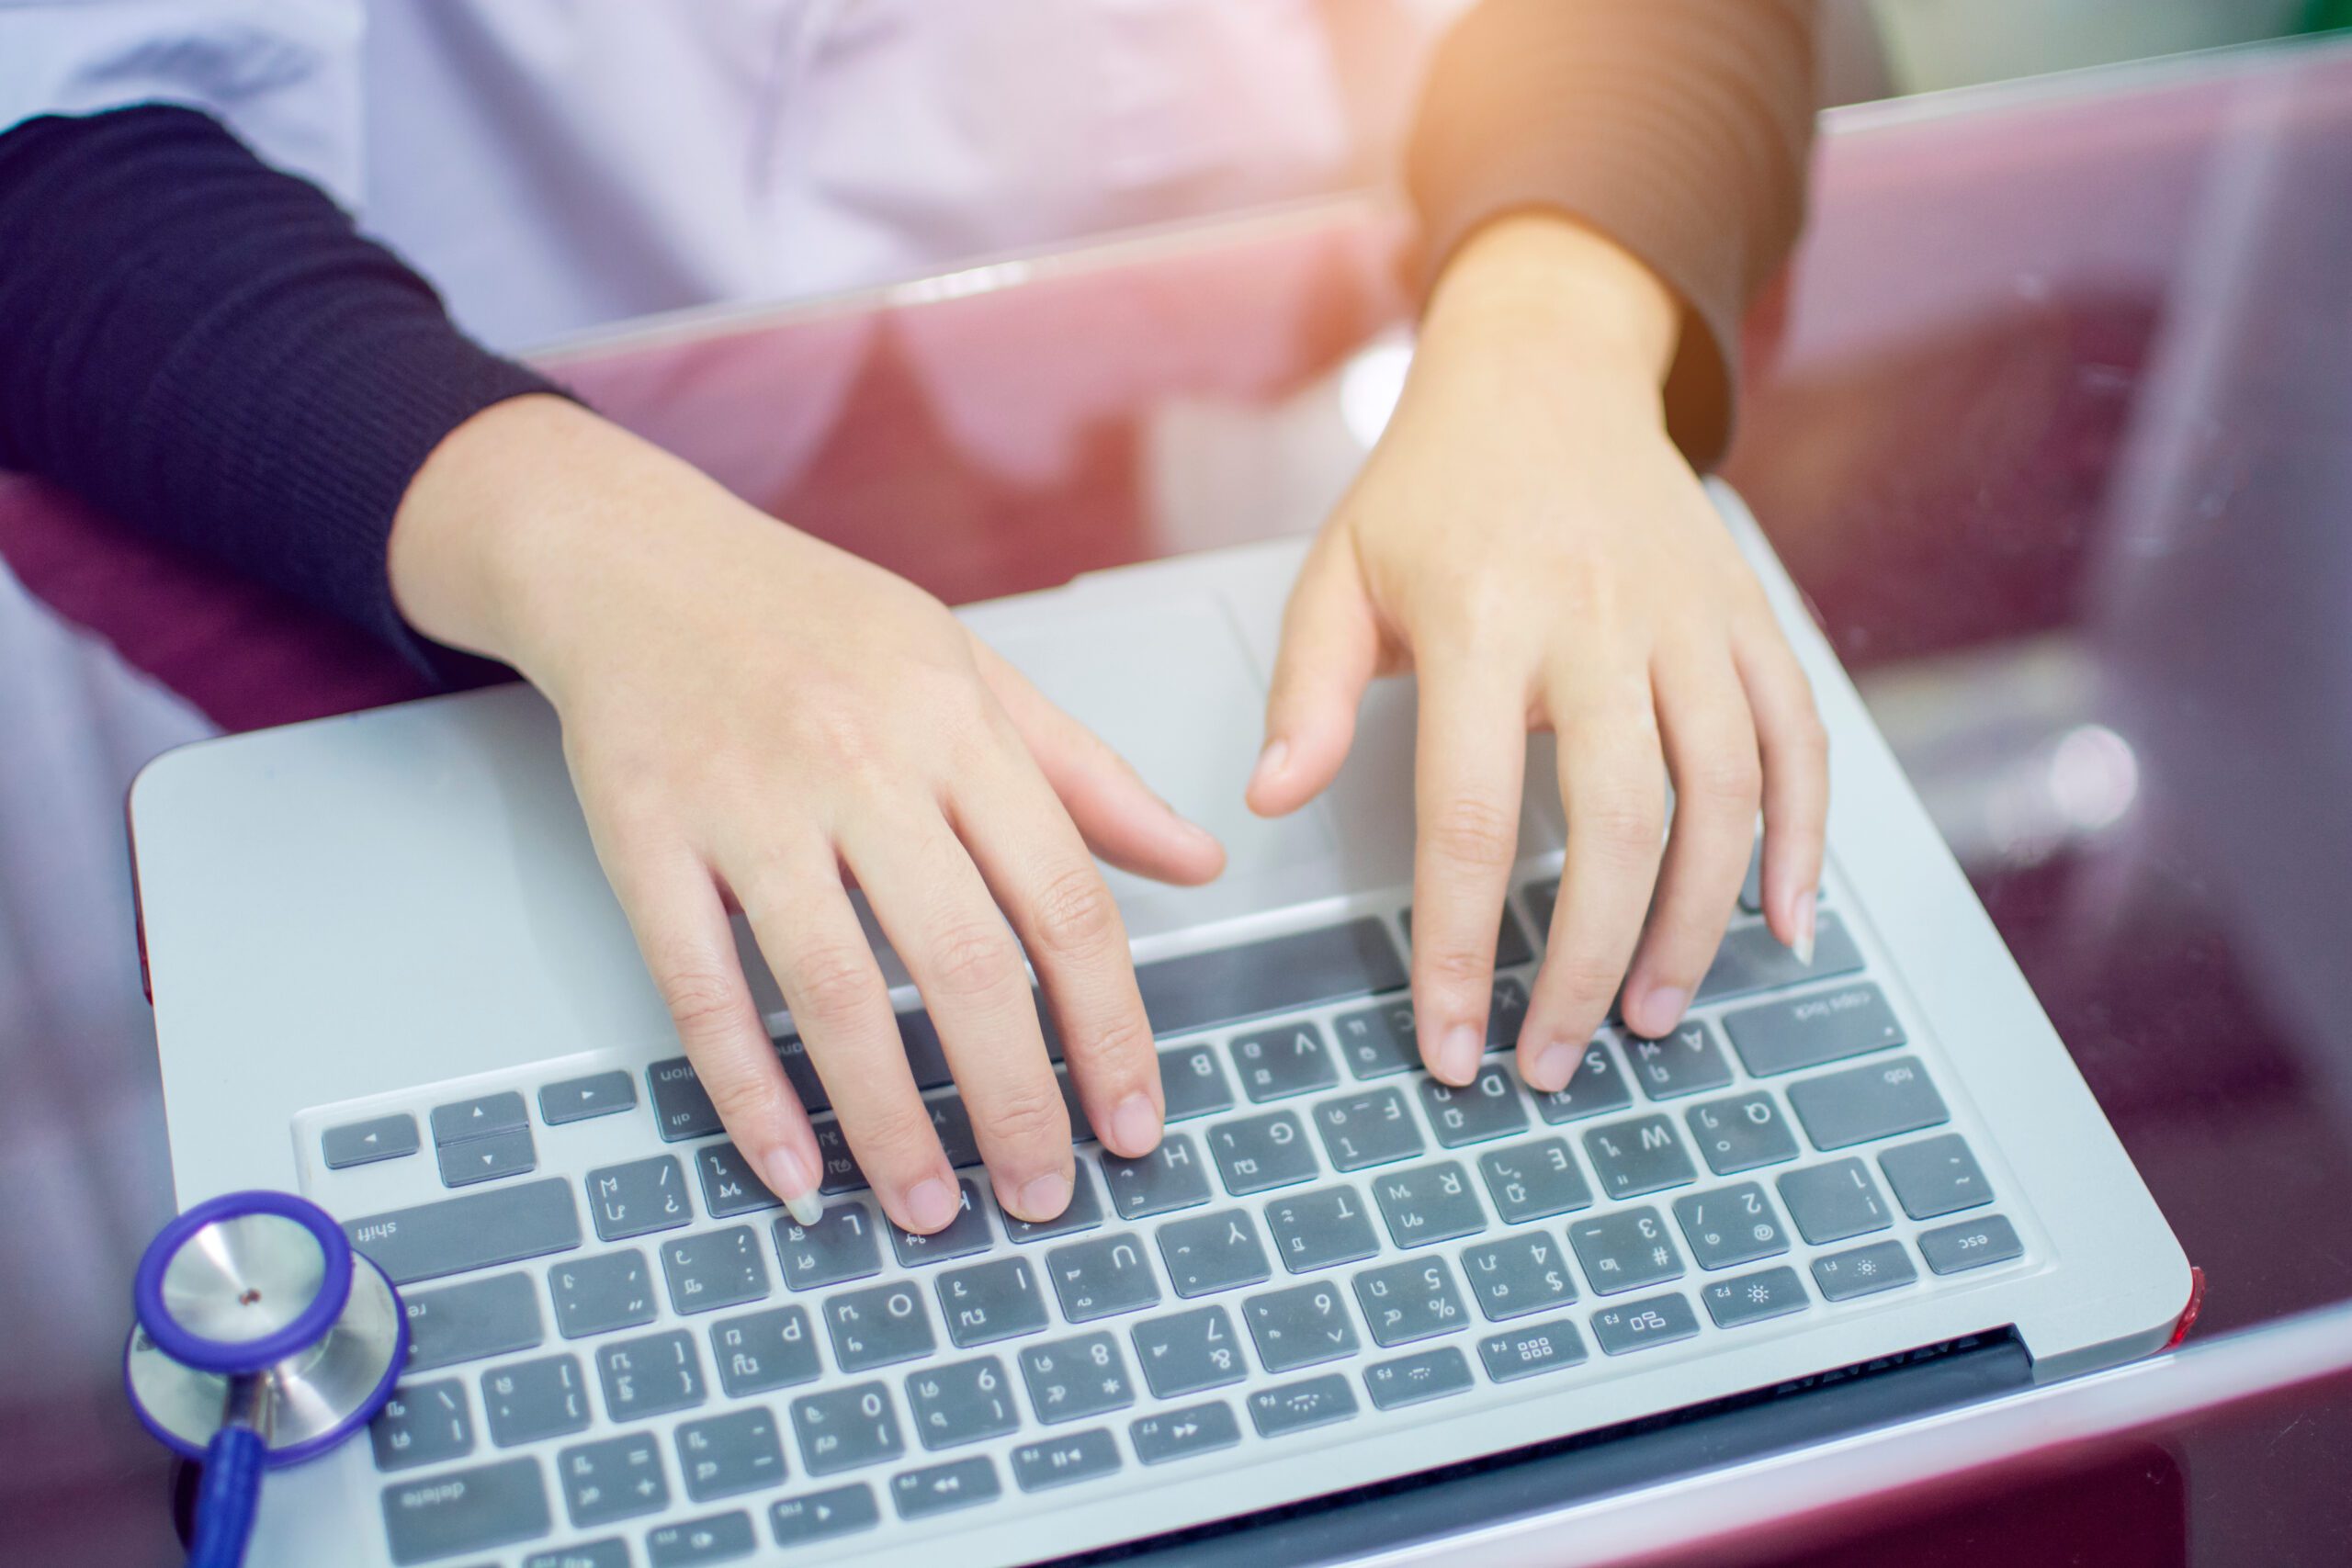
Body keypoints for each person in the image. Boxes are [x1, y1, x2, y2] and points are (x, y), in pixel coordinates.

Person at [0, 1, 1823, 1236]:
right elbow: (49, 153)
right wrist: (587, 550)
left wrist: (1556, 333)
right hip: (414, 494)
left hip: (1225, 397)